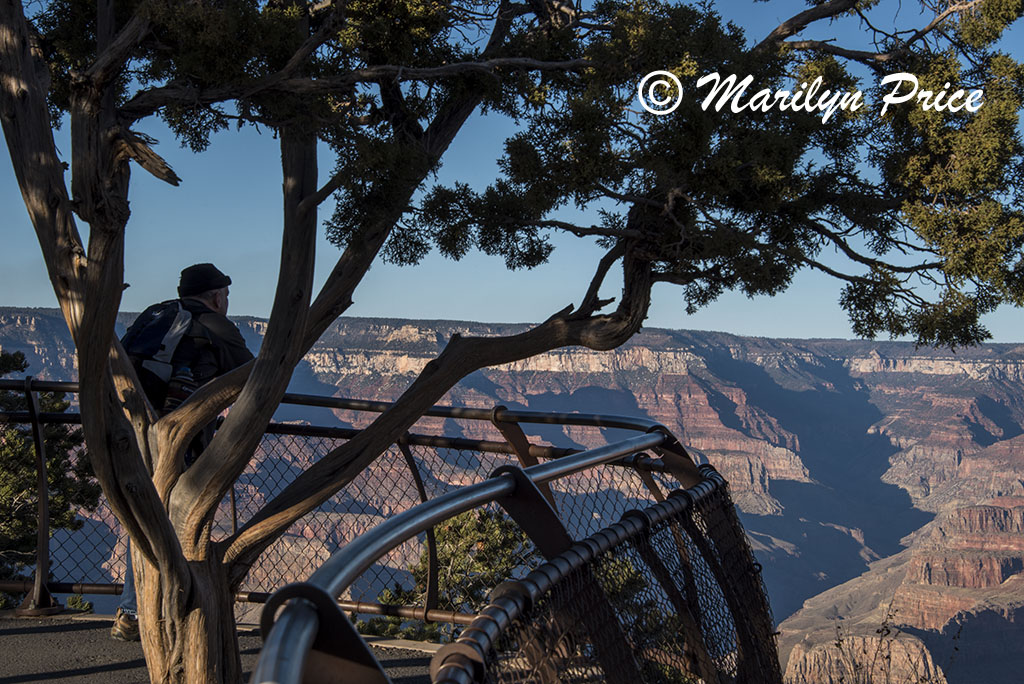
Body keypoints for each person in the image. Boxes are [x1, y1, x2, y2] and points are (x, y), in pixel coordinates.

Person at [111, 263, 255, 642]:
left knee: (144, 516)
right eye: (225, 294)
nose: (225, 300)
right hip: (181, 440)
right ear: (216, 295)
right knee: (178, 520)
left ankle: (133, 609)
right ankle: (166, 609)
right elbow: (256, 376)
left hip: (132, 431)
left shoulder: (155, 313)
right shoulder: (216, 324)